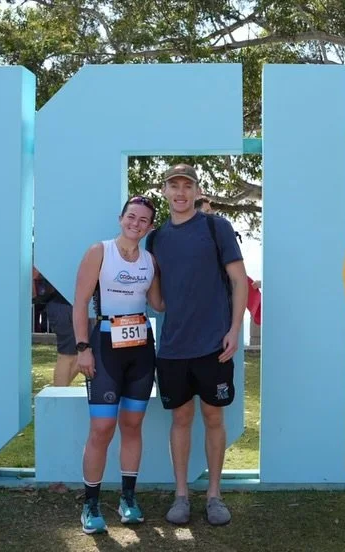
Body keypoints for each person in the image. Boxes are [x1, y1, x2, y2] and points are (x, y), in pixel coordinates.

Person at [147, 163, 248, 526]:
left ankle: (215, 496)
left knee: (213, 416)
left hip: (213, 345)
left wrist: (235, 329)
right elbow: (158, 302)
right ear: (164, 191)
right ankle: (181, 496)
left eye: (186, 186)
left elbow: (239, 281)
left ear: (196, 191)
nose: (180, 192)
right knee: (181, 418)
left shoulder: (214, 227)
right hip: (172, 347)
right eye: (173, 186)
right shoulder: (156, 238)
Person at [72, 195, 164, 534]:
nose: (136, 223)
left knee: (132, 424)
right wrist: (83, 348)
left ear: (150, 226)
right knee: (101, 429)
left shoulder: (150, 261)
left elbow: (159, 303)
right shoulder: (100, 251)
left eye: (143, 220)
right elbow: (80, 303)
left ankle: (128, 499)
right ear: (121, 218)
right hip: (105, 345)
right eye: (131, 217)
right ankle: (91, 504)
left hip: (141, 348)